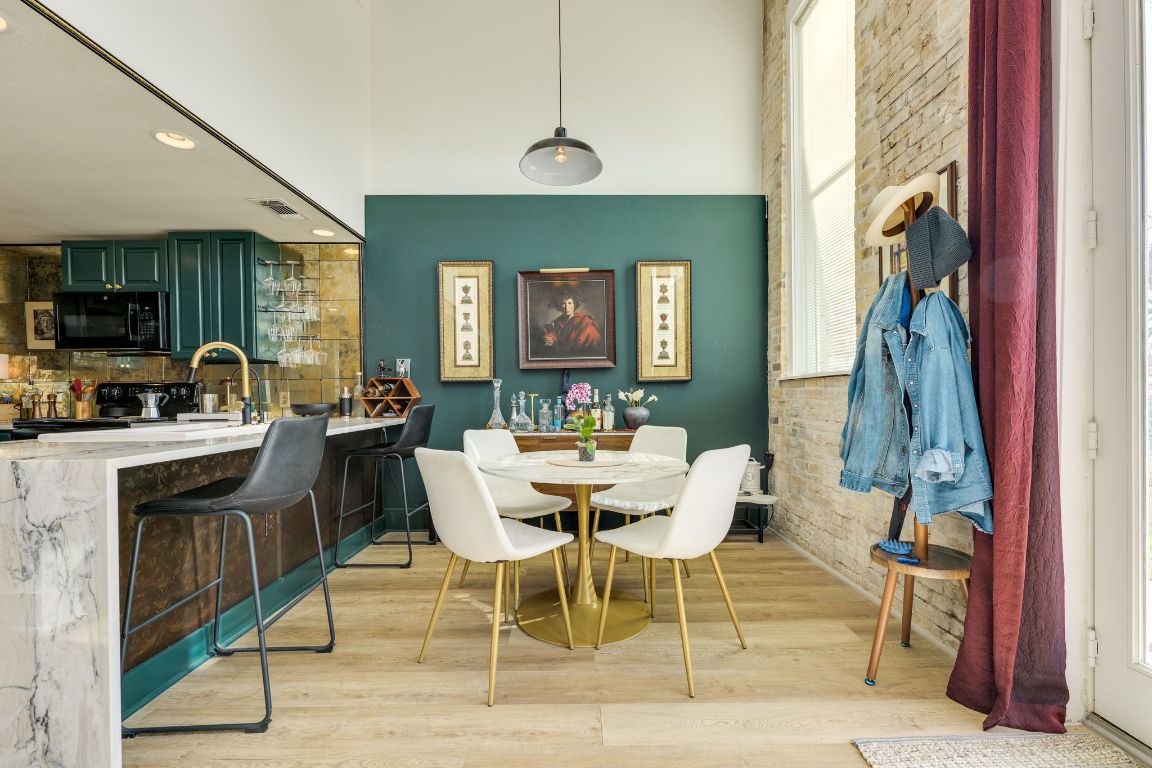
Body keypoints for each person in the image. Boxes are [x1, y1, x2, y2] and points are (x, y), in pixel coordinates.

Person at [537, 291, 602, 358]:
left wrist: (556, 344)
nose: (566, 307)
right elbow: (549, 340)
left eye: (569, 303)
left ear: (574, 305)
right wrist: (548, 340)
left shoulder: (585, 322)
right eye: (563, 303)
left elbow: (590, 346)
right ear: (559, 306)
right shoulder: (554, 324)